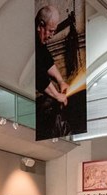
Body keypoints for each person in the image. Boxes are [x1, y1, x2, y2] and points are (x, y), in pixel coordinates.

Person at [35, 5, 70, 139]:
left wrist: (61, 81)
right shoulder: (29, 40)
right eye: (50, 31)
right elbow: (38, 73)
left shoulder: (40, 43)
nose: (51, 35)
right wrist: (56, 95)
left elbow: (46, 59)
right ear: (40, 25)